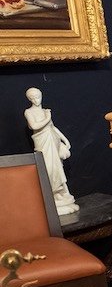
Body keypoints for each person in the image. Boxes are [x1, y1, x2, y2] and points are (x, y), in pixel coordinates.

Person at [24, 87, 79, 215]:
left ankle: (60, 194)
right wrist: (48, 117)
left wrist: (65, 139)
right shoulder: (29, 112)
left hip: (53, 141)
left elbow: (53, 128)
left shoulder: (44, 111)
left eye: (38, 97)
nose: (36, 100)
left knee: (57, 167)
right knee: (48, 168)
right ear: (29, 99)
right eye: (33, 98)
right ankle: (52, 196)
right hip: (42, 143)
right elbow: (34, 126)